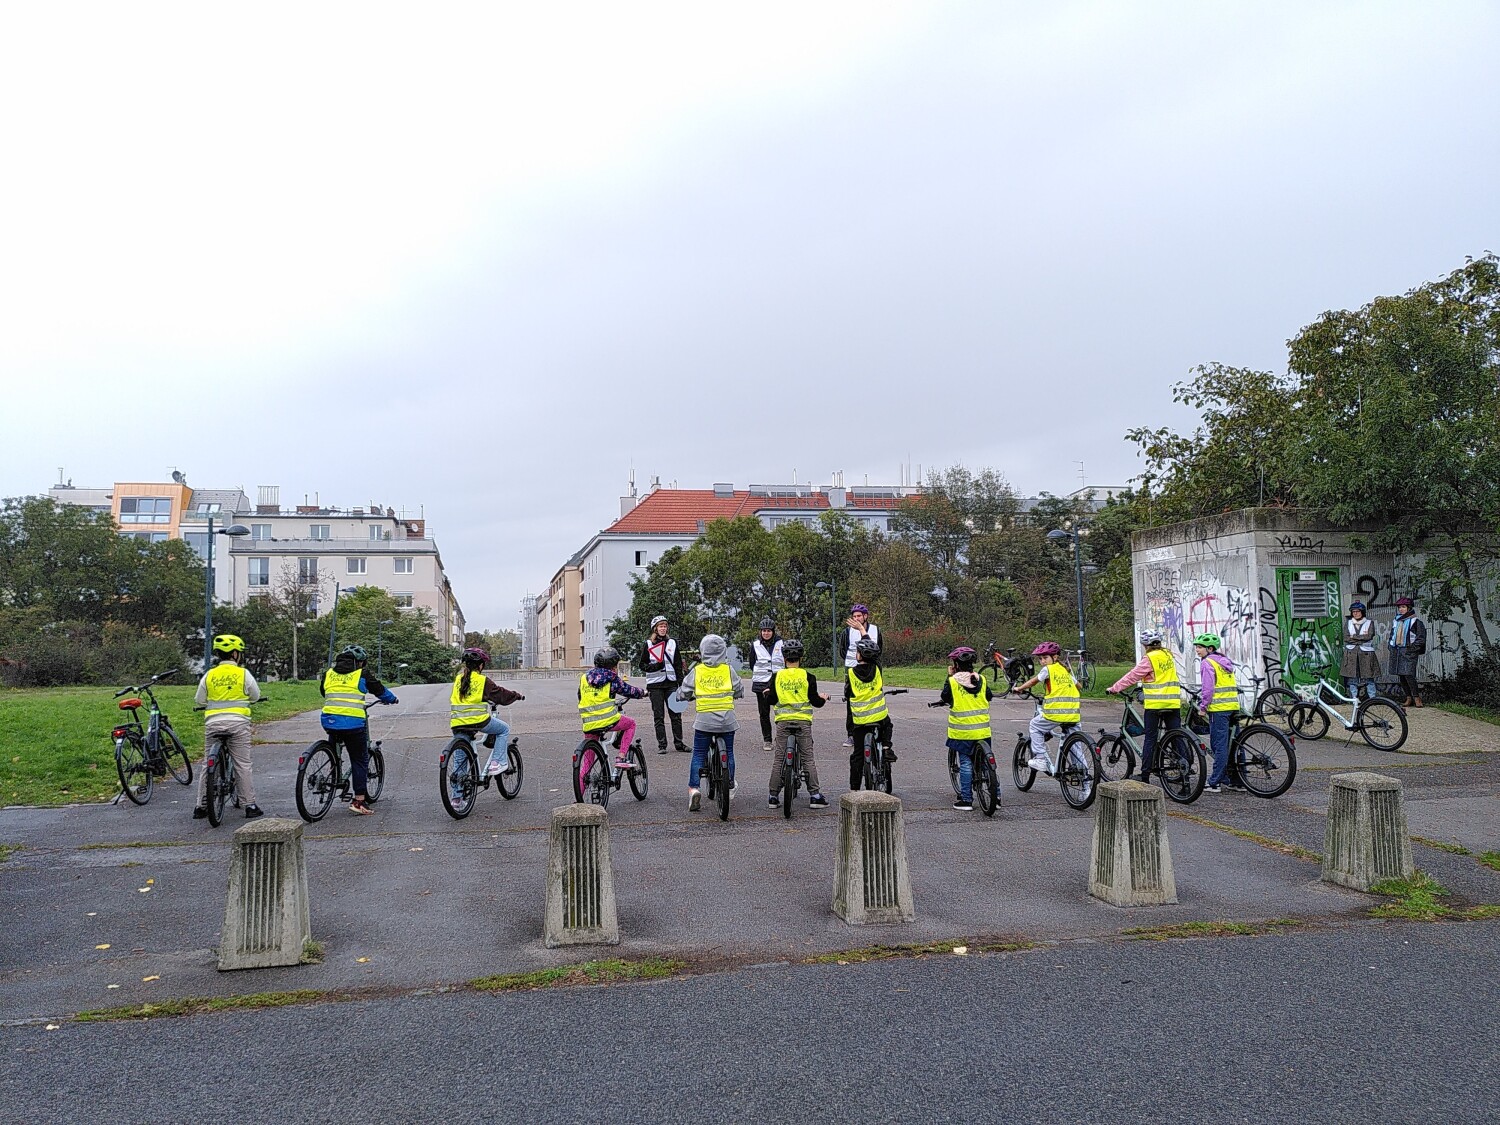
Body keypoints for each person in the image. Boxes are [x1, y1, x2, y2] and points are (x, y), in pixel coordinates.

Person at [319, 643, 398, 815]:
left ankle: (333, 774)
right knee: (359, 759)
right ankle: (359, 801)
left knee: (334, 748)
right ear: (360, 662)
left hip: (329, 720)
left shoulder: (329, 673)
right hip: (353, 723)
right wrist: (392, 699)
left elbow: (323, 692)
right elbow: (380, 690)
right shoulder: (361, 674)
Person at [193, 634, 263, 819]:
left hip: (213, 724)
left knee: (206, 763)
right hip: (238, 724)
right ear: (235, 654)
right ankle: (250, 805)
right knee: (242, 764)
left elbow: (199, 700)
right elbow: (255, 696)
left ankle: (201, 806)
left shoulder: (209, 675)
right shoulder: (243, 674)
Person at [676, 633, 744, 811]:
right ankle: (729, 783)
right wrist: (736, 694)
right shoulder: (728, 670)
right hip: (727, 720)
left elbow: (684, 691)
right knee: (729, 752)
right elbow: (739, 688)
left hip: (704, 721)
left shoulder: (697, 671)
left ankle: (694, 788)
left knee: (699, 754)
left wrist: (681, 696)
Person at [1106, 629, 1180, 785]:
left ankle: (1145, 775)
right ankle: (1183, 766)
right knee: (1176, 735)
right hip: (1173, 702)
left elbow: (1133, 676)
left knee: (1150, 738)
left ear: (1145, 645)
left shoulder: (1150, 658)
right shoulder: (1167, 655)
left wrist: (1114, 688)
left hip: (1156, 704)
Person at [764, 639, 829, 809]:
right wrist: (822, 698)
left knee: (779, 759)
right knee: (808, 758)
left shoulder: (777, 676)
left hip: (783, 722)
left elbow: (772, 700)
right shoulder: (808, 677)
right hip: (802, 722)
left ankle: (773, 796)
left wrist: (767, 694)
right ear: (801, 658)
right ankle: (815, 796)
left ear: (784, 658)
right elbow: (815, 702)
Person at [450, 647, 524, 777]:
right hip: (477, 721)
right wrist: (516, 695)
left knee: (460, 762)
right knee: (504, 729)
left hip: (457, 723)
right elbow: (500, 695)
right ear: (481, 665)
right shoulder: (482, 680)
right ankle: (497, 763)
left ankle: (457, 789)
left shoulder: (458, 679)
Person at [1011, 641, 1079, 775]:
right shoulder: (1065, 671)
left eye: (1045, 658)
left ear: (1055, 657)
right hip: (1073, 713)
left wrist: (1019, 688)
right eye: (1040, 659)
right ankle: (1084, 779)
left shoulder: (1048, 669)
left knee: (1034, 725)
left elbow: (1034, 681)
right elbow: (1079, 686)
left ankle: (1040, 759)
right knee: (1076, 746)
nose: (1042, 661)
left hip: (1056, 713)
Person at [578, 646, 648, 775]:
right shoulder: (612, 678)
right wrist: (643, 692)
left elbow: (580, 696)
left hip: (589, 723)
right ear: (614, 666)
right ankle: (621, 757)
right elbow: (628, 690)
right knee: (631, 724)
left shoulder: (584, 678)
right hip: (608, 720)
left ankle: (580, 787)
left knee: (587, 764)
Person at [941, 646, 992, 811]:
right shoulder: (981, 679)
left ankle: (966, 799)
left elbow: (945, 697)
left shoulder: (952, 681)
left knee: (965, 763)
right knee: (986, 764)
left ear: (956, 664)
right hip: (983, 731)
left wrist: (950, 675)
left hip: (962, 732)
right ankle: (996, 797)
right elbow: (989, 696)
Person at [1193, 632, 1244, 794]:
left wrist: (1203, 707)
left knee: (1219, 746)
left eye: (1200, 647)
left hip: (1219, 710)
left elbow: (1208, 689)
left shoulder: (1207, 663)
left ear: (1210, 649)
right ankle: (1238, 781)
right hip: (1233, 706)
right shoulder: (1224, 661)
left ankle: (1214, 782)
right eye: (1196, 647)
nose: (1197, 650)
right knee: (1235, 744)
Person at [844, 636, 894, 790]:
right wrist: (864, 633)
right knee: (888, 725)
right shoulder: (877, 669)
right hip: (879, 717)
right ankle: (886, 748)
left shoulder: (851, 673)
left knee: (857, 755)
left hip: (859, 719)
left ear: (860, 655)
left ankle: (854, 788)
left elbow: (847, 693)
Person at [637, 615, 688, 754]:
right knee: (659, 716)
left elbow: (678, 664)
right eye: (660, 626)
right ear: (655, 628)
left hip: (671, 684)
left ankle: (679, 743)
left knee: (676, 715)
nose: (663, 628)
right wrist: (655, 667)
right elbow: (642, 665)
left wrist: (681, 684)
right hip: (655, 686)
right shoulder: (649, 644)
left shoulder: (672, 643)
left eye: (665, 626)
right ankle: (662, 745)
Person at [838, 604, 881, 745]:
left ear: (865, 616)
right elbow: (843, 651)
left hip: (871, 669)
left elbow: (879, 648)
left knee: (874, 699)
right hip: (853, 669)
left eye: (859, 616)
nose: (856, 619)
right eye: (854, 616)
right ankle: (851, 734)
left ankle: (875, 730)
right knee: (852, 701)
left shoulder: (875, 630)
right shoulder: (847, 632)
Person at [748, 617, 785, 752]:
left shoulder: (781, 644)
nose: (766, 633)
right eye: (764, 631)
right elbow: (752, 663)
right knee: (764, 713)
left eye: (768, 631)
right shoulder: (755, 645)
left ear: (773, 632)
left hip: (778, 682)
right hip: (761, 682)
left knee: (781, 711)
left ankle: (781, 737)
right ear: (760, 632)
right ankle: (767, 740)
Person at [1388, 596, 1427, 707]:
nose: (1401, 609)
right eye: (1400, 607)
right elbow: (1392, 635)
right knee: (1401, 675)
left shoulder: (1416, 622)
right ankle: (1408, 697)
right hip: (1397, 651)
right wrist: (1390, 646)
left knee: (1409, 675)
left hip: (1408, 651)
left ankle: (1416, 697)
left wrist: (1412, 649)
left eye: (1403, 607)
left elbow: (1421, 638)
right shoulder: (1396, 621)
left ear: (1409, 608)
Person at [1341, 601, 1381, 702]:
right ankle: (1354, 698)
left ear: (1362, 612)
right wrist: (1361, 638)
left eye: (1358, 611)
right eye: (1353, 612)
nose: (1355, 613)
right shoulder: (1348, 623)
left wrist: (1353, 637)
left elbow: (1369, 636)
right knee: (1352, 677)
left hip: (1366, 653)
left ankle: (1372, 698)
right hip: (1351, 654)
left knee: (1369, 677)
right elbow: (1346, 638)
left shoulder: (1369, 623)